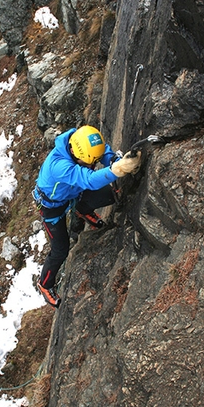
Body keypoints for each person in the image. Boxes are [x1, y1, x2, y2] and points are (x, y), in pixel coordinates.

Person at [33, 125, 141, 308]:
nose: (90, 164)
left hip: (73, 192)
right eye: (87, 162)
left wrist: (114, 159)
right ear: (75, 153)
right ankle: (45, 284)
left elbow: (103, 152)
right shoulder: (58, 166)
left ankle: (81, 209)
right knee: (60, 249)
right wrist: (117, 169)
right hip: (52, 208)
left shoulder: (83, 139)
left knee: (109, 194)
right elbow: (88, 180)